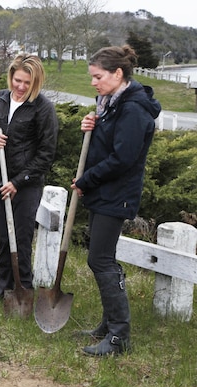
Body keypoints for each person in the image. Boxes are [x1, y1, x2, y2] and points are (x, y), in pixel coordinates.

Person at [73, 45, 161, 356]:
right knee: (99, 258)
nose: (93, 83)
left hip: (117, 195)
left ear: (118, 73)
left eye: (98, 77)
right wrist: (92, 125)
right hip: (104, 192)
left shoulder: (133, 109)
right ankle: (109, 324)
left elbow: (123, 158)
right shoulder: (110, 102)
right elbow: (108, 141)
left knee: (101, 259)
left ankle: (119, 337)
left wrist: (86, 180)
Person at [0, 54, 58, 302]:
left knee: (21, 237)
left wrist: (18, 182)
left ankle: (24, 289)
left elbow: (46, 153)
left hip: (26, 185)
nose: (21, 87)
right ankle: (3, 287)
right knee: (4, 236)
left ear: (36, 83)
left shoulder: (43, 108)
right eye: (18, 80)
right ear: (11, 76)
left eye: (27, 83)